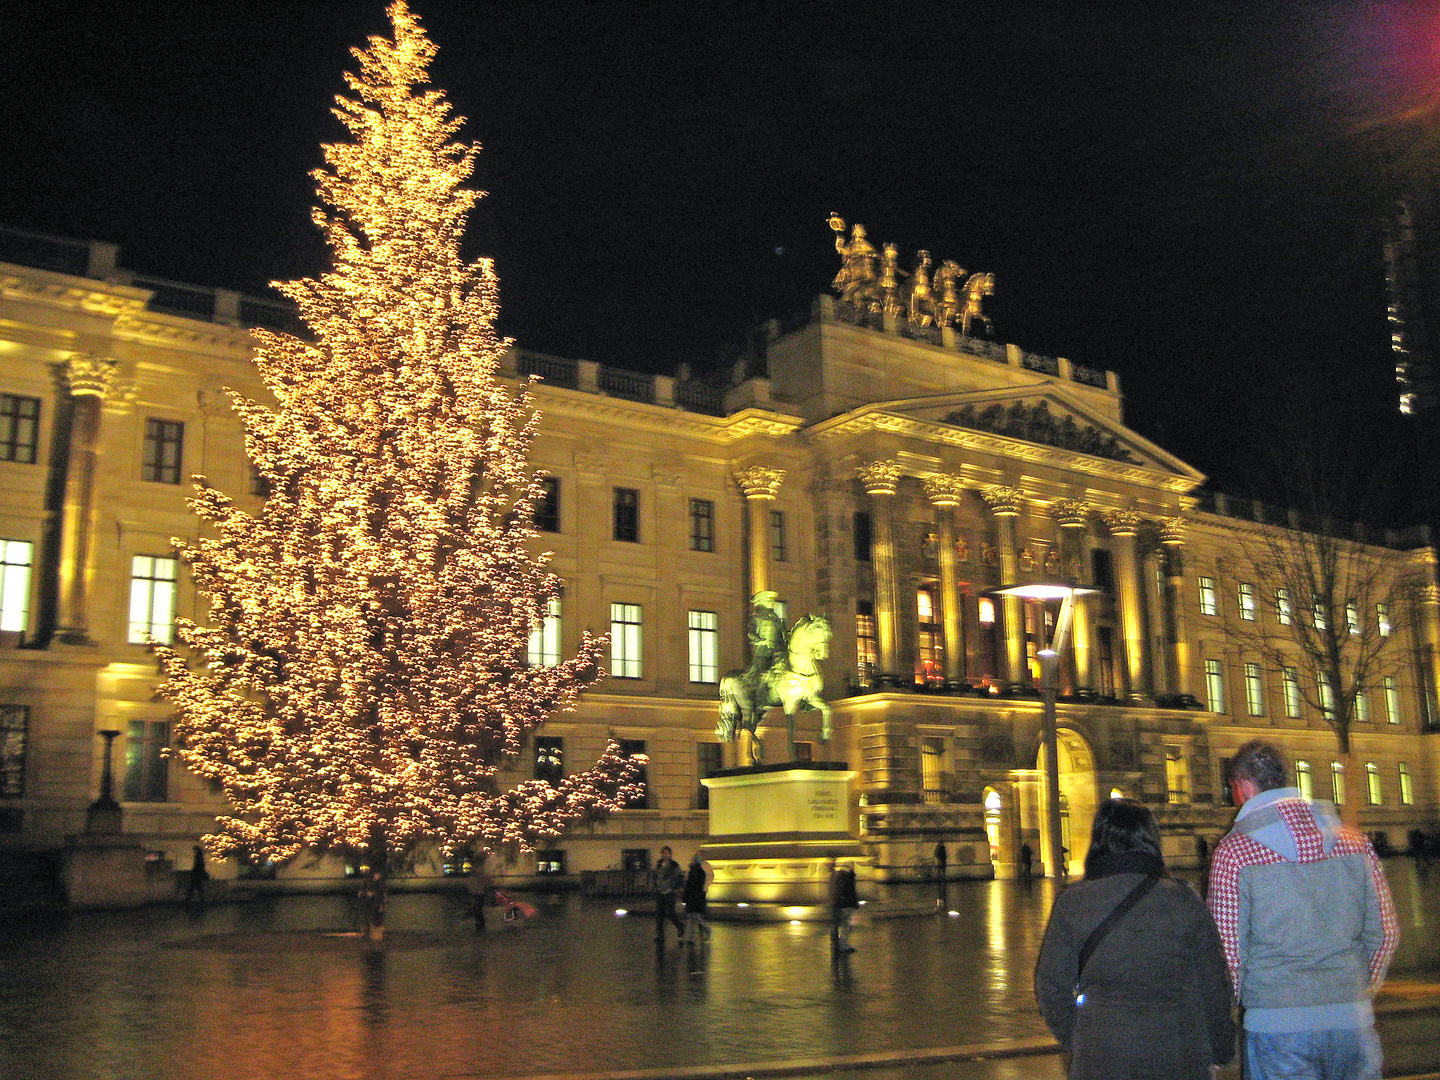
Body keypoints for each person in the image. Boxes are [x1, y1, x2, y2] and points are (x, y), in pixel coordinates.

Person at [1208, 740, 1398, 1080]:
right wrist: (1355, 987)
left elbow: (1227, 956)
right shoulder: (1353, 842)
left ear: (1245, 786)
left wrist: (1228, 1016)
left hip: (1276, 1026)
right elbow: (1385, 933)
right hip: (1352, 1021)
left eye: (1233, 789)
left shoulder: (1234, 853)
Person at [1035, 798, 1235, 1080]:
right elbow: (1213, 984)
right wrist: (1221, 1049)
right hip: (1179, 1051)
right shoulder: (1183, 899)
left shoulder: (1074, 902)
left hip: (1103, 1053)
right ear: (1152, 841)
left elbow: (1051, 986)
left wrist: (1078, 1038)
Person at [652, 846, 685, 945]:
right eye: (664, 853)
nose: (665, 855)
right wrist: (656, 886)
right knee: (659, 914)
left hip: (670, 892)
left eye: (667, 853)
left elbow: (679, 877)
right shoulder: (658, 865)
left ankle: (680, 926)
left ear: (670, 854)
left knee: (671, 912)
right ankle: (660, 935)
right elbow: (655, 876)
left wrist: (677, 888)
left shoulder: (674, 865)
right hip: (660, 891)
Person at [828, 858, 859, 953]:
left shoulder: (838, 875)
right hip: (847, 904)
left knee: (839, 925)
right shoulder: (848, 876)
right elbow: (851, 891)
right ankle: (843, 945)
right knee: (847, 925)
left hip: (839, 904)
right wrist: (854, 903)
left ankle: (837, 944)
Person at [682, 851, 713, 944]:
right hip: (694, 894)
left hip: (697, 894)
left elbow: (708, 878)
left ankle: (700, 932)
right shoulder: (693, 869)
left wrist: (704, 889)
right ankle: (691, 937)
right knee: (692, 916)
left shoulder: (703, 867)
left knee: (694, 916)